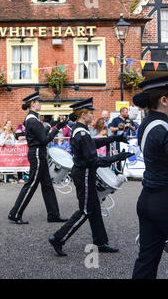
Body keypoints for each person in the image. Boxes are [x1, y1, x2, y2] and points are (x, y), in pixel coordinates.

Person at [48, 98, 133, 256]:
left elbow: (93, 143)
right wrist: (117, 157)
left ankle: (100, 242)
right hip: (85, 174)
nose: (93, 116)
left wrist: (115, 138)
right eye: (90, 113)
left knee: (93, 209)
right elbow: (94, 160)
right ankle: (58, 238)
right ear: (82, 114)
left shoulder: (80, 130)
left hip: (84, 173)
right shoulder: (81, 132)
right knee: (86, 210)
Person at [8, 92, 68, 224]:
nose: (41, 103)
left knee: (47, 185)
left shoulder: (33, 119)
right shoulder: (32, 120)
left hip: (39, 153)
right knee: (31, 184)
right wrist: (57, 128)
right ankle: (15, 213)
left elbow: (41, 135)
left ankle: (53, 214)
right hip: (37, 153)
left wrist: (55, 125)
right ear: (33, 104)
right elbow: (44, 140)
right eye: (39, 101)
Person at [131, 75, 168, 279]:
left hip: (148, 198)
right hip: (164, 200)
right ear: (164, 100)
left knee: (146, 262)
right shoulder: (163, 128)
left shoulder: (148, 124)